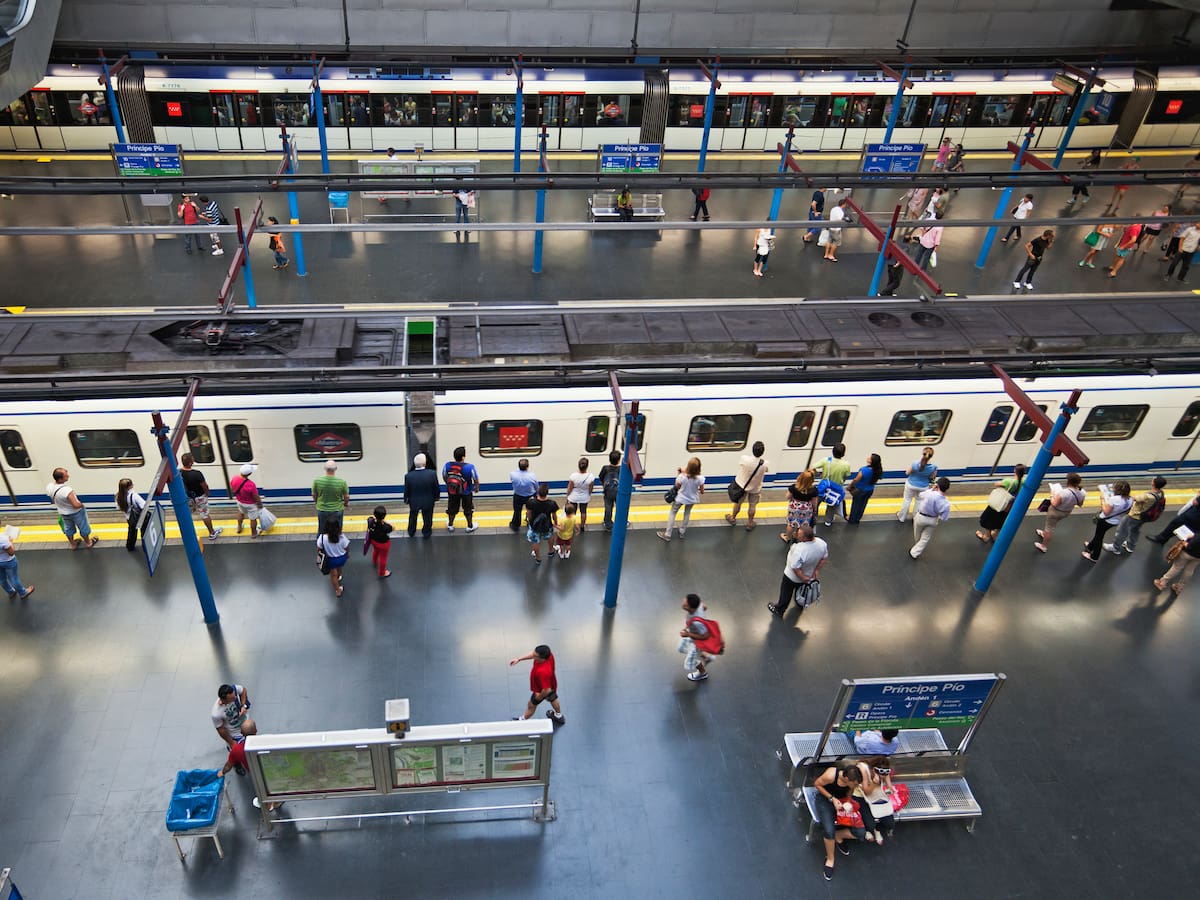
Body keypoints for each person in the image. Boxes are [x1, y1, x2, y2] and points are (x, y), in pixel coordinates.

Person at [811, 762, 865, 881]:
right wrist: (832, 799)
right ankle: (830, 859)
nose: (855, 786)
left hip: (842, 802)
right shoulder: (831, 775)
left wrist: (848, 801)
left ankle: (838, 835)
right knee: (828, 830)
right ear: (847, 779)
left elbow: (849, 793)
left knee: (860, 832)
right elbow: (817, 784)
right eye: (854, 784)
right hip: (825, 800)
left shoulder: (850, 785)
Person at [768, 523, 828, 617]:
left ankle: (780, 609)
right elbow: (824, 558)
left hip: (791, 577)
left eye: (799, 535)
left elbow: (795, 567)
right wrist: (816, 570)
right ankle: (800, 603)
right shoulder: (822, 543)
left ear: (804, 538)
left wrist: (802, 577)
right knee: (801, 590)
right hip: (809, 575)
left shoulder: (799, 549)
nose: (796, 535)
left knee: (786, 592)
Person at [1105, 476, 1166, 556]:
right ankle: (1130, 546)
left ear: (1153, 483)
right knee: (1135, 530)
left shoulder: (1148, 496)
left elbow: (1134, 498)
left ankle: (1116, 548)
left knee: (1122, 530)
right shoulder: (1161, 493)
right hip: (1144, 517)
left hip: (1134, 515)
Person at [510, 645, 565, 726]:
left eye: (535, 656)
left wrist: (538, 697)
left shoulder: (543, 672)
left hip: (541, 690)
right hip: (551, 684)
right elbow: (533, 654)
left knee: (531, 705)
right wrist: (519, 659)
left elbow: (546, 690)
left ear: (542, 658)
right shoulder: (549, 655)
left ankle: (521, 721)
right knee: (553, 699)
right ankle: (558, 716)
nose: (533, 656)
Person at [1034, 472, 1085, 553]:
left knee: (1049, 528)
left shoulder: (1064, 492)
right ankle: (1044, 533)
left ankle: (1044, 546)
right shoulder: (1082, 492)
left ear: (1068, 481)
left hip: (1054, 512)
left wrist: (1052, 494)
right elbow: (1080, 504)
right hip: (1066, 512)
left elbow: (1054, 503)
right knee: (1051, 525)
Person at [1081, 481, 1132, 562]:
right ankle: (1090, 546)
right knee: (1099, 534)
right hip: (1116, 521)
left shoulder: (1113, 499)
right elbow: (1128, 511)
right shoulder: (1130, 499)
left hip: (1105, 521)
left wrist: (1102, 501)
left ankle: (1094, 557)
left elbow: (1106, 512)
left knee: (1099, 537)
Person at [47, 467, 97, 549]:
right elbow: (75, 505)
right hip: (76, 512)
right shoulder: (67, 490)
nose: (68, 476)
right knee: (83, 527)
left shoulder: (49, 487)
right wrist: (82, 504)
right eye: (66, 475)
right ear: (60, 479)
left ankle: (73, 544)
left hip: (63, 513)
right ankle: (88, 543)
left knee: (68, 528)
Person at [852, 756, 897, 846]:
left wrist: (888, 791)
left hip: (875, 795)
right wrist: (874, 783)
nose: (883, 776)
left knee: (890, 824)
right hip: (861, 796)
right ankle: (869, 830)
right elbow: (867, 791)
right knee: (870, 825)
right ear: (873, 770)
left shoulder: (884, 771)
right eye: (881, 774)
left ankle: (878, 829)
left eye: (886, 773)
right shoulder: (864, 769)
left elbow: (890, 787)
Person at [976, 464, 1026, 544]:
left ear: (1015, 471)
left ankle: (986, 536)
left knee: (989, 519)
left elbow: (997, 484)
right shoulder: (1024, 482)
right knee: (1002, 521)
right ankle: (995, 535)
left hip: (999, 503)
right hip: (1009, 506)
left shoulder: (1009, 481)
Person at [658, 457, 705, 542]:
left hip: (680, 499)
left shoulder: (682, 477)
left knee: (673, 513)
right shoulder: (700, 478)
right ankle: (682, 532)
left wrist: (680, 474)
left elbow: (677, 486)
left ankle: (668, 534)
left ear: (688, 466)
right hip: (692, 499)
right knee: (687, 513)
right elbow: (702, 491)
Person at [726, 440, 769, 531]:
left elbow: (741, 464)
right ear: (762, 452)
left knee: (738, 503)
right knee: (752, 506)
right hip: (755, 488)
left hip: (742, 487)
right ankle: (750, 523)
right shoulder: (765, 464)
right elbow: (766, 470)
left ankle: (733, 517)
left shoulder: (745, 459)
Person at [677, 593, 720, 682]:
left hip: (696, 639)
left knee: (691, 661)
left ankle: (702, 673)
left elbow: (705, 636)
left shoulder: (697, 623)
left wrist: (688, 634)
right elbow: (705, 607)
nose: (683, 604)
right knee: (681, 648)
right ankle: (706, 655)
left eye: (686, 604)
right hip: (693, 633)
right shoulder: (699, 605)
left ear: (692, 608)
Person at [180, 452, 222, 541]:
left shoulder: (179, 473)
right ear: (190, 462)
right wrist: (207, 493)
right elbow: (204, 486)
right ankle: (212, 533)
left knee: (187, 515)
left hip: (188, 498)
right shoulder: (196, 474)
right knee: (205, 514)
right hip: (199, 497)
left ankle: (188, 535)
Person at [909, 476, 952, 559]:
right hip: (933, 520)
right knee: (925, 538)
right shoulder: (946, 503)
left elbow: (920, 495)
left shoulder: (929, 493)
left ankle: (916, 546)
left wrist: (932, 489)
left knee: (917, 533)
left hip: (920, 517)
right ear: (947, 489)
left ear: (937, 485)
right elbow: (944, 518)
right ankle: (915, 552)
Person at [442, 446, 479, 533]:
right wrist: (476, 488)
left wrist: (449, 484)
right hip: (466, 491)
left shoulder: (447, 465)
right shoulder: (469, 467)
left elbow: (444, 475)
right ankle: (470, 526)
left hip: (453, 491)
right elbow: (475, 479)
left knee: (452, 508)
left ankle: (450, 525)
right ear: (463, 457)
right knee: (468, 509)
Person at [403, 453, 440, 538]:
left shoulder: (409, 476)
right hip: (428, 500)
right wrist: (436, 497)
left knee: (413, 516)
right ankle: (426, 532)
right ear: (425, 463)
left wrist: (406, 499)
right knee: (428, 517)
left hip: (414, 500)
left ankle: (411, 531)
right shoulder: (432, 474)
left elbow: (407, 489)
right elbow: (436, 487)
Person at [814, 443, 851, 526]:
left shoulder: (826, 460)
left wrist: (818, 475)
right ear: (843, 453)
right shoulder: (846, 464)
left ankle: (814, 518)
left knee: (816, 502)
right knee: (831, 504)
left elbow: (812, 467)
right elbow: (846, 476)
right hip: (836, 489)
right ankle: (828, 521)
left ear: (832, 451)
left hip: (824, 486)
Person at [897, 447, 937, 523]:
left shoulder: (915, 463)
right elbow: (932, 477)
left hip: (911, 485)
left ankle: (901, 517)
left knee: (907, 500)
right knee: (918, 502)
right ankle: (915, 518)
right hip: (923, 487)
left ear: (923, 453)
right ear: (932, 456)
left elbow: (907, 473)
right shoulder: (934, 467)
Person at [212, 683, 257, 750]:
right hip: (235, 734)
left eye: (234, 695)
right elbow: (220, 729)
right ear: (224, 700)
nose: (235, 698)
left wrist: (243, 706)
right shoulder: (216, 713)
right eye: (232, 698)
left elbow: (243, 690)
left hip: (246, 726)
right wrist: (231, 742)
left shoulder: (234, 689)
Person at [312, 459, 350, 536]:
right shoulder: (342, 482)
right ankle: (337, 545)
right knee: (337, 530)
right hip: (337, 510)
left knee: (322, 530)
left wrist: (317, 502)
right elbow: (346, 496)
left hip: (322, 509)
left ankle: (321, 546)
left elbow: (314, 494)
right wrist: (345, 504)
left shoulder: (317, 481)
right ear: (335, 469)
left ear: (325, 469)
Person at [780, 470, 819, 543]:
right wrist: (815, 510)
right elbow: (814, 502)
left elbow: (787, 497)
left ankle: (787, 537)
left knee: (791, 524)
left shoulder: (793, 487)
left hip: (794, 507)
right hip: (807, 509)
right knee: (803, 524)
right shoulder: (814, 490)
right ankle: (798, 536)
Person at [525, 484, 559, 566]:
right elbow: (554, 515)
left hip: (534, 526)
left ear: (537, 493)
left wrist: (530, 522)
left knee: (535, 541)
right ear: (547, 493)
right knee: (550, 536)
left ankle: (538, 558)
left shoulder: (531, 502)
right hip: (547, 525)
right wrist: (555, 522)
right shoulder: (552, 503)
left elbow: (528, 513)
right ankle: (551, 551)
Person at [845, 453, 883, 524]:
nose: (868, 458)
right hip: (870, 490)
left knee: (856, 505)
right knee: (863, 505)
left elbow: (856, 480)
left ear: (871, 461)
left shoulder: (864, 470)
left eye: (870, 458)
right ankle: (857, 518)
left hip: (860, 490)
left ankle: (852, 519)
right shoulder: (877, 470)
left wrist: (850, 486)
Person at [317, 518, 350, 597]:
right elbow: (347, 547)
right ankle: (339, 575)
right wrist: (348, 554)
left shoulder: (322, 538)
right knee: (339, 566)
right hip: (342, 558)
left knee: (333, 576)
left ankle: (338, 590)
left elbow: (318, 548)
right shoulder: (342, 537)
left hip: (331, 560)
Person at [0, 526, 34, 599]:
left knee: (2, 579)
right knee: (13, 578)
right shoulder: (3, 539)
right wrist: (11, 541)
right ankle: (23, 593)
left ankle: (10, 592)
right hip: (8, 561)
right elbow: (11, 552)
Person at [230, 463, 263, 537]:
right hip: (250, 504)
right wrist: (260, 504)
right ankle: (254, 533)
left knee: (241, 512)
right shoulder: (251, 484)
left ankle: (239, 527)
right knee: (253, 518)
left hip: (240, 501)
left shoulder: (234, 478)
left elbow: (232, 489)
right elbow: (256, 497)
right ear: (249, 473)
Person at [115, 478, 146, 552]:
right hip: (139, 517)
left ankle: (130, 546)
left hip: (129, 517)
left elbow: (118, 507)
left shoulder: (118, 496)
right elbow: (144, 505)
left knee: (132, 532)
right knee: (144, 531)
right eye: (132, 484)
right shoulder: (134, 495)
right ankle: (145, 546)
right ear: (129, 487)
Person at [508, 458, 539, 532]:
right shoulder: (532, 476)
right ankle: (531, 523)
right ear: (527, 467)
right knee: (531, 510)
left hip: (518, 495)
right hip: (530, 496)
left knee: (517, 511)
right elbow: (536, 487)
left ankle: (515, 525)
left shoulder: (512, 474)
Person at [565, 457, 595, 532]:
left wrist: (567, 496)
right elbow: (590, 488)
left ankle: (572, 526)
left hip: (573, 497)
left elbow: (570, 488)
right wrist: (588, 494)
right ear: (587, 466)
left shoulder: (573, 476)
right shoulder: (591, 477)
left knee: (572, 512)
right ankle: (582, 526)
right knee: (583, 511)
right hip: (584, 497)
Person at [597, 450, 622, 533]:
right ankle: (620, 523)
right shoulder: (621, 469)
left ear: (609, 459)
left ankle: (607, 524)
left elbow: (601, 478)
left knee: (608, 507)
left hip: (608, 491)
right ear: (619, 460)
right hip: (618, 491)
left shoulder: (605, 468)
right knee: (620, 507)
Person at [366, 505, 393, 578]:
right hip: (383, 544)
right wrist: (385, 522)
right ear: (384, 516)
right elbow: (392, 528)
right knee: (383, 558)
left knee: (376, 551)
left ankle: (374, 561)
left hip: (373, 541)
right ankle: (382, 572)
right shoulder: (386, 527)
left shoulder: (370, 521)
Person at [822, 198, 847, 262]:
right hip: (836, 230)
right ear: (843, 204)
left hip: (830, 228)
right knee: (835, 242)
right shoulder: (841, 212)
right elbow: (839, 220)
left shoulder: (833, 209)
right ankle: (831, 255)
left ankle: (826, 254)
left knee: (829, 241)